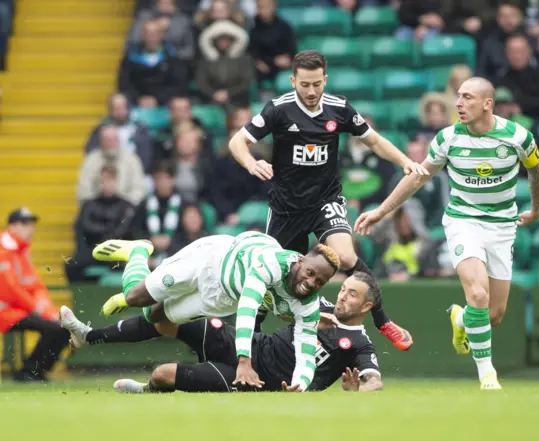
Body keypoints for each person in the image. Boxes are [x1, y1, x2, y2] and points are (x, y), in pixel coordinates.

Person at [227, 50, 427, 351]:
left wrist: (404, 161)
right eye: (304, 84)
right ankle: (244, 357)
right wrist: (250, 163)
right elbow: (237, 141)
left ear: (325, 79)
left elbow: (373, 140)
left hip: (325, 201)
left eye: (317, 84)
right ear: (294, 80)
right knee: (268, 280)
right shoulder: (278, 109)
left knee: (347, 257)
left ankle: (383, 320)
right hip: (285, 209)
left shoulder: (339, 109)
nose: (311, 92)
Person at [355, 77, 539, 390]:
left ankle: (461, 318)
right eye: (458, 97)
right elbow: (417, 178)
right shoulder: (447, 138)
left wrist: (537, 209)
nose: (458, 103)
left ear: (487, 103)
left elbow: (536, 172)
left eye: (467, 98)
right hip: (463, 221)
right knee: (479, 295)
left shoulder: (517, 136)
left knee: (493, 315)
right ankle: (488, 376)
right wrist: (381, 212)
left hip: (501, 226)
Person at [91, 231, 340, 391]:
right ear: (300, 261)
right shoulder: (274, 264)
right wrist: (244, 360)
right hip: (209, 260)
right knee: (135, 296)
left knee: (152, 315)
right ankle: (138, 251)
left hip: (220, 299)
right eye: (310, 273)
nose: (312, 282)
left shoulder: (309, 303)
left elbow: (306, 351)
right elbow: (248, 307)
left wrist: (300, 385)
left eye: (320, 281)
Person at [59, 272, 383, 393]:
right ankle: (88, 335)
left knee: (162, 375)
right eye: (345, 289)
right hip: (245, 343)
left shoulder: (359, 344)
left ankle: (146, 389)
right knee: (172, 318)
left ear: (366, 307)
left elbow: (375, 381)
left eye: (352, 294)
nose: (342, 295)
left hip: (254, 380)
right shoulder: (319, 302)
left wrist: (355, 394)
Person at [0, 208, 70, 382]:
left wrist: (50, 311)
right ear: (12, 226)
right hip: (7, 311)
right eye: (24, 224)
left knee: (61, 327)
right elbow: (11, 290)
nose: (30, 228)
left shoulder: (22, 250)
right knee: (54, 328)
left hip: (19, 309)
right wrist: (37, 310)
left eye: (30, 224)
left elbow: (36, 285)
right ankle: (29, 372)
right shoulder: (4, 250)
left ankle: (35, 371)